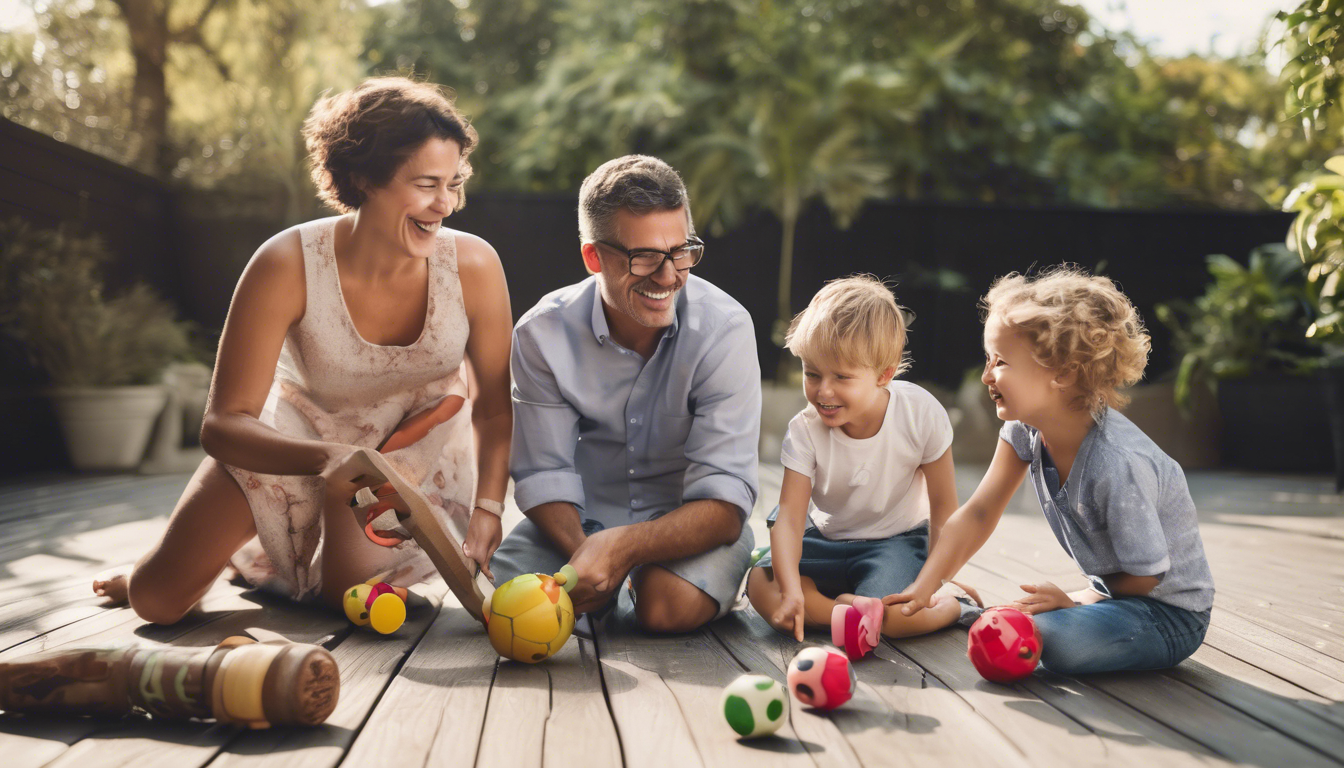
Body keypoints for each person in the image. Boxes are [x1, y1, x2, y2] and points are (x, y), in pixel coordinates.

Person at [93, 77, 514, 621]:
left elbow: (495, 407)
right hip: (294, 445)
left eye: (454, 183)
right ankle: (217, 559)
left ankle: (268, 561)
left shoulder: (475, 266)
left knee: (344, 604)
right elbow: (222, 424)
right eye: (428, 184)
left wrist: (488, 511)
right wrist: (329, 458)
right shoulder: (287, 262)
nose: (447, 205)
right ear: (362, 177)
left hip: (408, 455)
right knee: (156, 602)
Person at [886, 266, 1215, 675]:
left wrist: (1076, 602)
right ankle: (981, 611)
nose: (987, 375)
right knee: (1031, 629)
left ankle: (1030, 620)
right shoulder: (1024, 430)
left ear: (1062, 372)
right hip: (1110, 596)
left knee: (1055, 643)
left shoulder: (1117, 463)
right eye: (988, 359)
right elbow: (979, 513)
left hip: (1168, 616)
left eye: (1001, 361)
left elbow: (1147, 578)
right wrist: (923, 588)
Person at [490, 155, 760, 633]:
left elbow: (724, 501)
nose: (669, 275)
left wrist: (623, 550)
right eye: (645, 258)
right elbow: (543, 474)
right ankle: (612, 590)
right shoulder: (541, 334)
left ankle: (656, 586)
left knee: (665, 609)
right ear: (594, 258)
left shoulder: (727, 329)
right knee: (503, 598)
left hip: (689, 527)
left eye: (681, 251)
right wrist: (586, 558)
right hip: (577, 526)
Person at [745, 276, 977, 656]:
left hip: (895, 542)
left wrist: (936, 581)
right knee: (761, 584)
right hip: (824, 535)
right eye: (812, 373)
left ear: (884, 375)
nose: (823, 391)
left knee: (897, 618)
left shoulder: (920, 414)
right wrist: (789, 591)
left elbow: (945, 512)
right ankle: (846, 609)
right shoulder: (805, 430)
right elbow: (789, 517)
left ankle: (953, 605)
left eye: (842, 377)